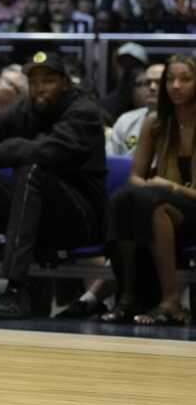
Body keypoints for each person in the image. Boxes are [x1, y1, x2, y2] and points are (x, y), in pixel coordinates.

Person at [0, 51, 107, 319]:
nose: (40, 88)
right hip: (32, 214)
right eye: (34, 81)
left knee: (33, 168)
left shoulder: (84, 111)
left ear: (66, 83)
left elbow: (46, 151)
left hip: (79, 220)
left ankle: (16, 289)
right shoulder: (26, 106)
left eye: (48, 80)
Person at [102, 55, 196, 325]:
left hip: (187, 205)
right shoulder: (155, 123)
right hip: (164, 205)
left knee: (157, 205)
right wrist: (153, 188)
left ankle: (171, 301)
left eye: (185, 79)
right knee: (123, 199)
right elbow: (135, 178)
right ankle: (127, 297)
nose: (175, 86)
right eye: (171, 79)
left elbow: (165, 190)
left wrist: (170, 186)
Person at [108, 63, 165, 158]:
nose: (152, 87)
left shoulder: (183, 122)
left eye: (159, 82)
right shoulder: (126, 120)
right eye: (147, 83)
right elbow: (111, 161)